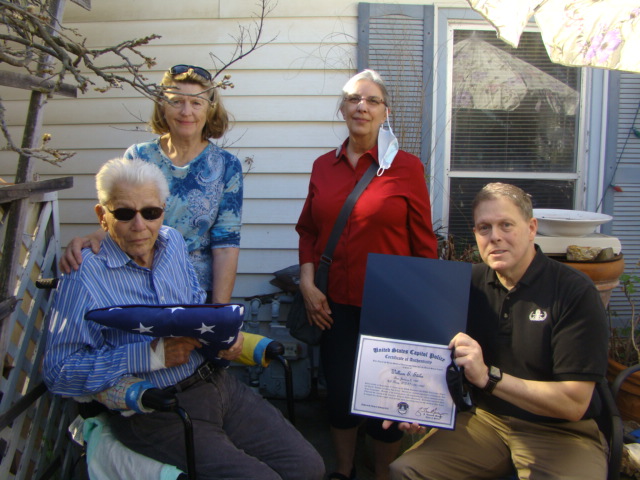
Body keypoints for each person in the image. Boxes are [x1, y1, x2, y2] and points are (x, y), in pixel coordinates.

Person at [44, 158, 324, 480]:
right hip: (156, 409)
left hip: (216, 384)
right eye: (124, 213)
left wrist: (224, 338)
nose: (140, 225)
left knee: (307, 467)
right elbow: (59, 371)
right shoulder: (83, 276)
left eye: (150, 212)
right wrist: (150, 355)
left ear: (163, 209)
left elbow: (195, 307)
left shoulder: (173, 243)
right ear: (102, 216)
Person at [387, 182, 609, 480]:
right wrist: (418, 406)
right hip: (485, 422)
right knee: (406, 470)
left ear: (531, 228)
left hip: (562, 433)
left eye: (506, 225)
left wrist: (488, 378)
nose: (495, 237)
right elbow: (436, 357)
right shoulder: (467, 284)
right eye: (484, 228)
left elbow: (573, 403)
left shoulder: (572, 292)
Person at [295, 69, 438, 480]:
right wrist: (307, 283)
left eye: (372, 101)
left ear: (384, 112)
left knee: (386, 402)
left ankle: (383, 474)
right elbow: (308, 230)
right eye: (354, 99)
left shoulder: (406, 168)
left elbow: (423, 244)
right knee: (339, 395)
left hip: (389, 305)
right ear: (342, 108)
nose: (362, 106)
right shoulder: (324, 166)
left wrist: (422, 311)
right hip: (333, 303)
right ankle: (343, 471)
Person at [60, 64, 242, 303]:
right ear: (162, 106)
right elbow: (122, 216)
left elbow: (226, 246)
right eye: (176, 101)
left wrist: (218, 314)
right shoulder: (139, 156)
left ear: (209, 109)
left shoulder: (226, 166)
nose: (186, 111)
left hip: (195, 292)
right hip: (137, 284)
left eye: (196, 103)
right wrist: (93, 237)